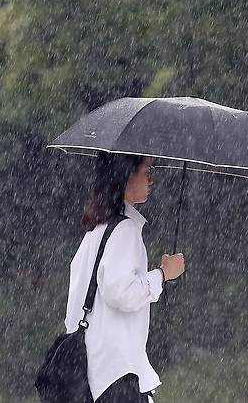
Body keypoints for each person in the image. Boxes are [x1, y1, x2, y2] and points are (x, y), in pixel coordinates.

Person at [64, 152, 185, 403]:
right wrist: (163, 274)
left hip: (88, 373)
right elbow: (121, 293)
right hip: (115, 375)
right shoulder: (124, 229)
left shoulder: (97, 228)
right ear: (126, 176)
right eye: (147, 172)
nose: (151, 180)